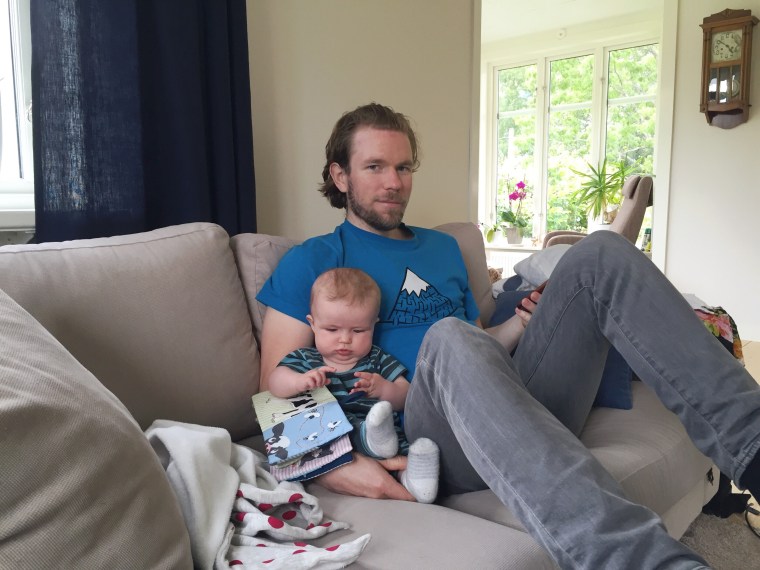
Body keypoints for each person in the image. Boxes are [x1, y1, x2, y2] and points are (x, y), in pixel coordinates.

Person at [256, 102, 760, 568]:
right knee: (449, 335)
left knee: (600, 254)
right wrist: (335, 466)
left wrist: (522, 323)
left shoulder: (442, 248)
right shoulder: (314, 261)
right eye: (375, 167)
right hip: (430, 443)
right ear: (339, 176)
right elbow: (274, 387)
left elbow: (478, 352)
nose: (394, 182)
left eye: (404, 167)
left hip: (509, 403)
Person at [267, 267, 439, 503]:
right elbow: (274, 383)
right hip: (339, 443)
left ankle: (419, 484)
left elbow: (406, 395)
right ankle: (371, 438)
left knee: (407, 453)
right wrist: (298, 381)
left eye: (358, 330)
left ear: (373, 326)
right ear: (312, 324)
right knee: (353, 429)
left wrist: (384, 389)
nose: (345, 339)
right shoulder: (305, 360)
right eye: (332, 329)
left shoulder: (377, 359)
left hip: (388, 437)